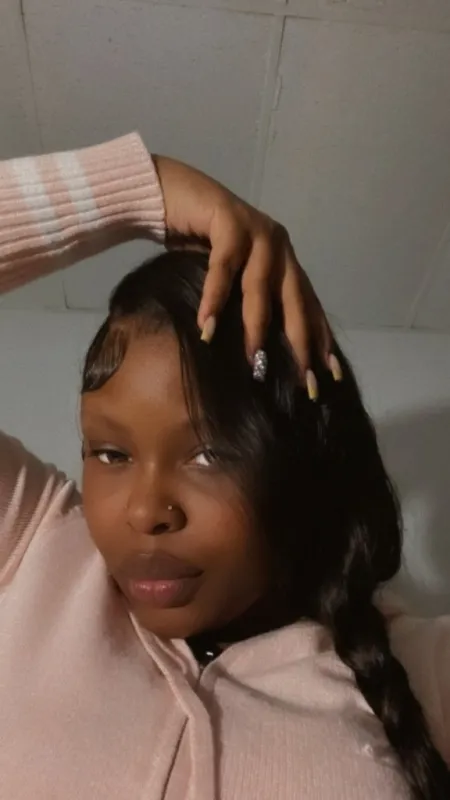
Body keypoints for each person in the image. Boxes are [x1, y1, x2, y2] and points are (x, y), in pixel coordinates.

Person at [0, 135, 449, 800]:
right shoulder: (33, 548)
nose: (146, 511)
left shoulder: (421, 670)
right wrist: (144, 191)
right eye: (111, 454)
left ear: (298, 468)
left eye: (209, 454)